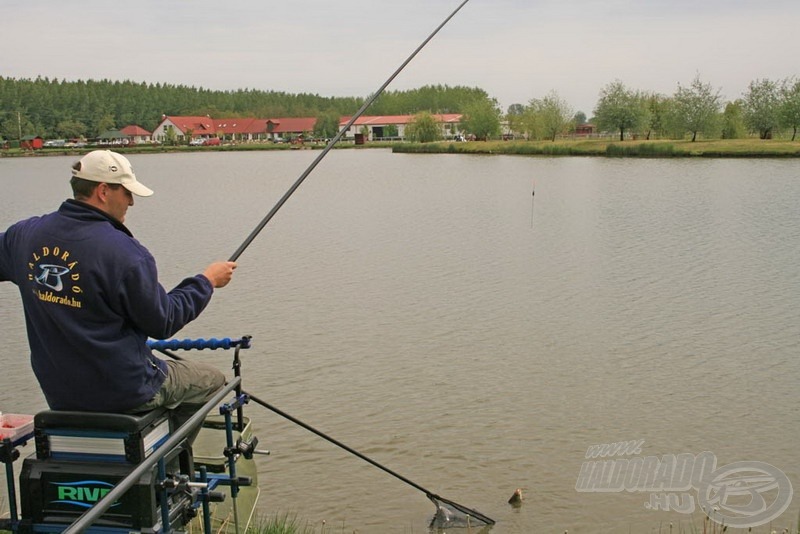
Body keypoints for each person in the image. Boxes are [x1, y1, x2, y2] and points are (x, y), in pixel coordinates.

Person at [0, 149, 236, 435]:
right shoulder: (125, 254)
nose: (132, 202)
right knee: (212, 380)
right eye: (126, 193)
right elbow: (164, 322)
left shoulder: (24, 236)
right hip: (124, 390)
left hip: (61, 393)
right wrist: (206, 281)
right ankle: (170, 459)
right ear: (103, 191)